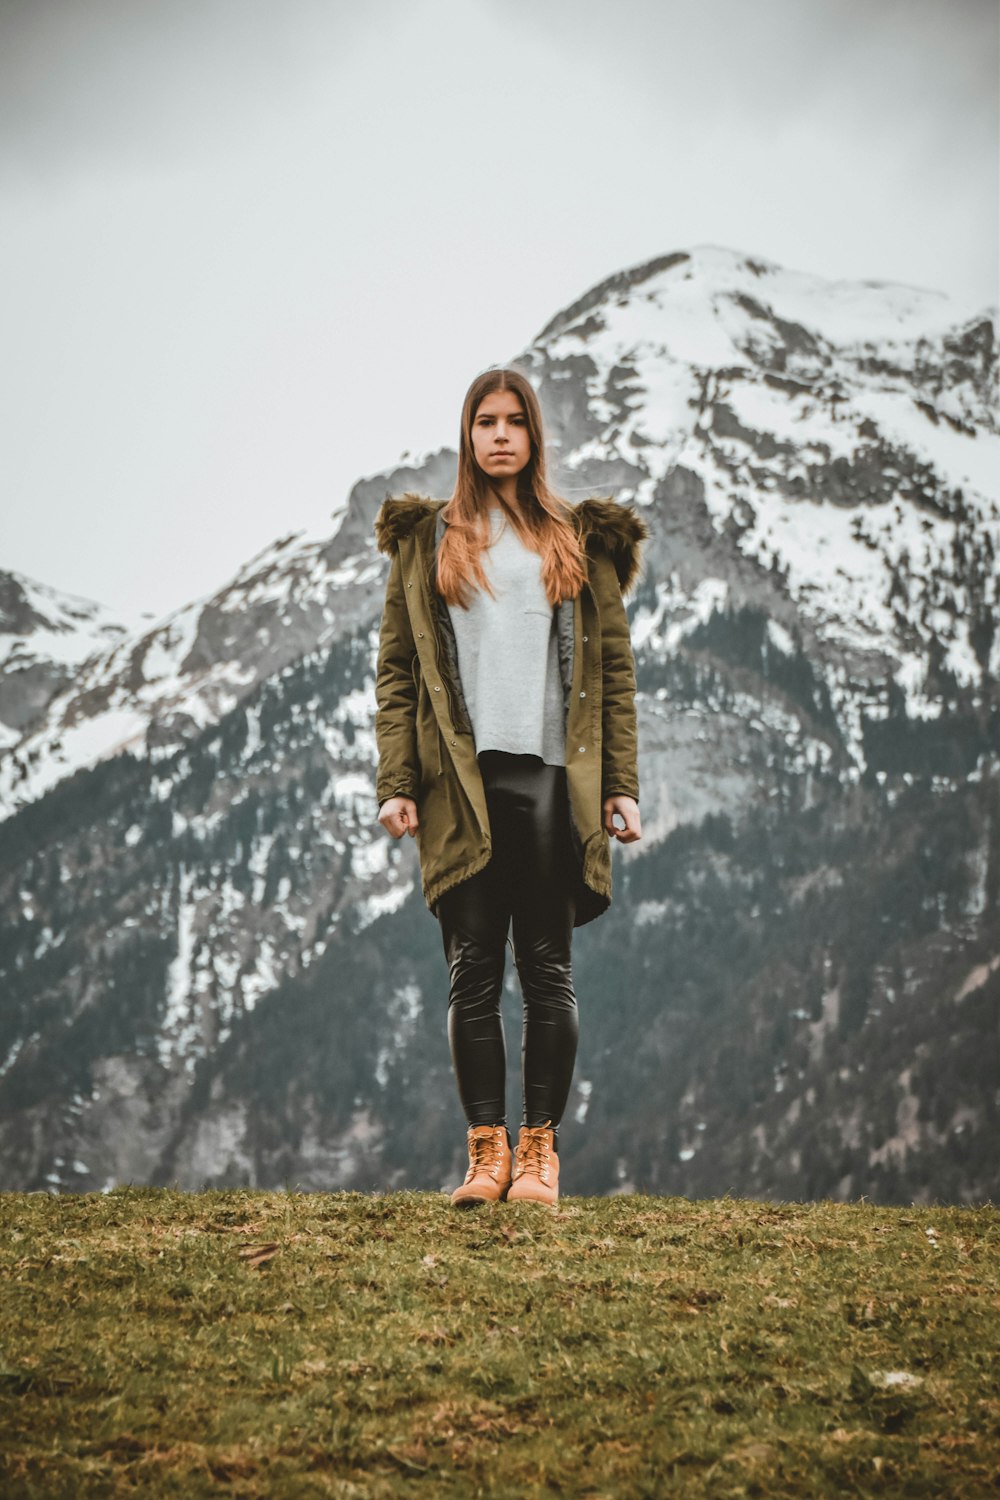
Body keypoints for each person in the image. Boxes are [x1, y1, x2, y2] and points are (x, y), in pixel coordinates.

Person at [373, 366, 648, 1208]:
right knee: (472, 974)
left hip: (555, 781)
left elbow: (611, 673)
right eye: (484, 421)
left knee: (548, 971)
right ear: (467, 434)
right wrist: (398, 781)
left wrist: (622, 786)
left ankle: (539, 1156)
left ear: (534, 437)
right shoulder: (427, 543)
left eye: (514, 422)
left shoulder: (576, 541)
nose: (498, 434)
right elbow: (396, 675)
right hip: (460, 783)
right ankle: (485, 1156)